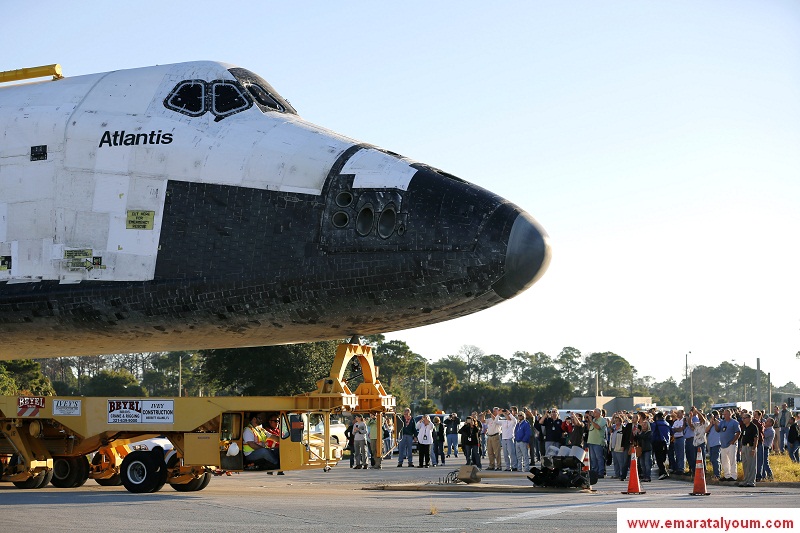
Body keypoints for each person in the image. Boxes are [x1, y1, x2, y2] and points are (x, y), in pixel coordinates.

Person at [716, 408, 741, 482]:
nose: (724, 415)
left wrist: (733, 441)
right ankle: (727, 475)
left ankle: (733, 476)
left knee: (732, 460)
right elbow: (718, 430)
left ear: (730, 414)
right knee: (724, 461)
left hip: (731, 444)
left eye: (726, 414)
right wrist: (715, 424)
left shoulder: (734, 422)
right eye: (724, 414)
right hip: (723, 444)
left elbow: (738, 432)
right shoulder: (722, 422)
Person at [738, 412, 758, 487]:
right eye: (742, 418)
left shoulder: (753, 427)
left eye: (744, 418)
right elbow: (743, 437)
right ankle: (746, 480)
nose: (743, 420)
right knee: (745, 465)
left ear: (749, 418)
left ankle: (751, 481)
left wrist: (753, 449)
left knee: (751, 465)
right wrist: (741, 447)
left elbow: (756, 438)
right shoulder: (745, 427)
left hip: (750, 447)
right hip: (744, 447)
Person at [587, 408, 607, 479]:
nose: (593, 413)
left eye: (595, 412)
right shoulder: (594, 420)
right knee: (593, 458)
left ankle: (600, 472)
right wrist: (589, 421)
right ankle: (594, 472)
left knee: (599, 458)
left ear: (599, 413)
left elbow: (598, 427)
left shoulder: (602, 420)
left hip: (598, 442)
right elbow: (589, 428)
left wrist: (591, 421)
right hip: (591, 441)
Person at [651, 411, 671, 480]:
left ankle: (663, 472)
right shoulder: (667, 424)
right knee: (663, 458)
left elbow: (652, 432)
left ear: (657, 417)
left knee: (659, 459)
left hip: (657, 442)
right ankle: (662, 472)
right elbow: (671, 432)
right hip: (666, 443)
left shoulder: (655, 424)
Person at [635, 412, 653, 482]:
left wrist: (639, 434)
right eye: (642, 425)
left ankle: (648, 476)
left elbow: (644, 437)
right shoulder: (641, 433)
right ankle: (644, 476)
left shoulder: (649, 432)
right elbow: (638, 439)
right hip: (641, 450)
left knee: (647, 464)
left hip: (647, 449)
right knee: (642, 464)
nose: (643, 426)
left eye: (645, 425)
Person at [705, 410, 722, 480]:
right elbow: (706, 430)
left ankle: (717, 474)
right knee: (712, 459)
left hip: (717, 443)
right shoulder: (711, 423)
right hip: (711, 444)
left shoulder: (720, 422)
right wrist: (711, 423)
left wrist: (715, 422)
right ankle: (716, 473)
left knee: (715, 459)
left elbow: (718, 428)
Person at [670, 409, 686, 475]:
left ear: (682, 413)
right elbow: (672, 429)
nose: (678, 414)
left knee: (681, 454)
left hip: (681, 438)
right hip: (676, 438)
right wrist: (677, 429)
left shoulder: (683, 421)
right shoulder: (676, 421)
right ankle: (677, 468)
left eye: (679, 413)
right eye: (677, 413)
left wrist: (676, 429)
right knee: (677, 454)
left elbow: (681, 429)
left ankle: (681, 468)